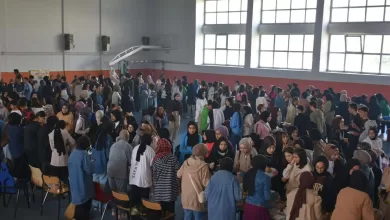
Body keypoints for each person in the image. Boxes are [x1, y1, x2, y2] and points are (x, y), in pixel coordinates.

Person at [177, 143, 211, 220]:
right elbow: (206, 183)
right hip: (196, 196)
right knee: (198, 216)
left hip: (186, 195)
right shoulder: (204, 166)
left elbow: (178, 174)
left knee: (187, 216)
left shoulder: (186, 162)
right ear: (203, 152)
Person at [68, 136, 94, 220]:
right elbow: (89, 170)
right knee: (84, 205)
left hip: (73, 182)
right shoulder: (84, 155)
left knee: (78, 203)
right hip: (83, 184)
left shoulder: (72, 153)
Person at [152, 138, 180, 213]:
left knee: (160, 213)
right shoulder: (173, 158)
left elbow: (154, 176)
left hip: (159, 191)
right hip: (170, 190)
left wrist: (155, 188)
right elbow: (177, 175)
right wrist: (178, 187)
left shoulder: (155, 159)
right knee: (170, 213)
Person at [242, 155, 271, 220]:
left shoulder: (248, 174)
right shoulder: (266, 177)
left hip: (248, 205)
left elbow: (245, 190)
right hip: (259, 207)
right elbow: (267, 197)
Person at [129, 134, 155, 206]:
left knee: (135, 202)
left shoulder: (135, 148)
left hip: (133, 178)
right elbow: (153, 165)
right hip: (144, 180)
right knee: (144, 203)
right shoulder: (150, 150)